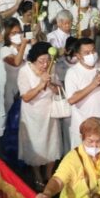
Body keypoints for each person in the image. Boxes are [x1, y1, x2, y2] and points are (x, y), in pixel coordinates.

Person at [18, 41, 62, 189]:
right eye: (41, 61)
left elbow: (59, 90)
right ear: (33, 60)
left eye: (48, 60)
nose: (45, 64)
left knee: (52, 143)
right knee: (35, 145)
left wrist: (50, 84)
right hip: (32, 115)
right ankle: (37, 174)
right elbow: (26, 97)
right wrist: (40, 84)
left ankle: (48, 174)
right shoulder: (25, 71)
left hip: (49, 112)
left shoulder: (51, 69)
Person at [65, 38, 100, 148]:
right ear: (78, 55)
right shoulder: (72, 73)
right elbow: (71, 100)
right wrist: (93, 84)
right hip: (82, 127)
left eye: (93, 51)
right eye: (87, 53)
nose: (92, 55)